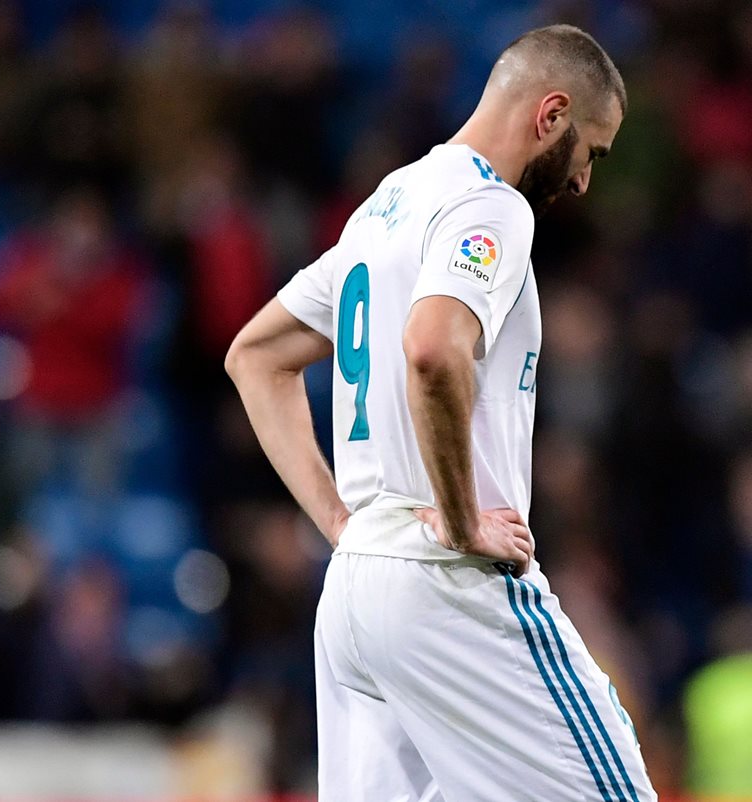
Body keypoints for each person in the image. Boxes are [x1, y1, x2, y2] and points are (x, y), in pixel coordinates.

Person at [226, 25, 657, 801]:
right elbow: (432, 347)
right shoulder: (491, 206)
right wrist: (461, 521)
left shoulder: (382, 210)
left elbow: (254, 356)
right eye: (592, 152)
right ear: (551, 114)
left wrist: (341, 523)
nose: (585, 182)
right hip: (445, 583)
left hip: (358, 590)